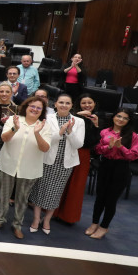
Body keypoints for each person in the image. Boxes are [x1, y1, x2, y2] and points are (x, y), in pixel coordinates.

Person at [0, 96, 55, 239]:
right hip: (7, 164)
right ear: (26, 106)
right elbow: (4, 138)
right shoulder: (15, 119)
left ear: (42, 111)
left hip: (29, 169)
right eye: (32, 106)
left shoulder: (44, 126)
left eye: (39, 108)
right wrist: (15, 128)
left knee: (22, 199)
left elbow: (45, 148)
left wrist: (37, 133)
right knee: (3, 196)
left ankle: (17, 225)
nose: (35, 109)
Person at [28, 93, 84, 235]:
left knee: (55, 193)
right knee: (39, 189)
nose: (64, 105)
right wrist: (60, 132)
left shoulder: (78, 121)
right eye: (61, 102)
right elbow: (45, 140)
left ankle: (47, 220)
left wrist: (70, 132)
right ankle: (36, 218)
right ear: (56, 104)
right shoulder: (48, 119)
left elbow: (78, 144)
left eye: (67, 103)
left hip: (65, 164)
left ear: (72, 106)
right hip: (47, 160)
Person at [86, 108, 138, 240]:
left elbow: (134, 155)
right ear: (114, 117)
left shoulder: (133, 136)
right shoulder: (105, 131)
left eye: (125, 118)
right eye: (119, 116)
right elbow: (97, 150)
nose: (121, 119)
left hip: (121, 168)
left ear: (128, 121)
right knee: (100, 197)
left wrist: (121, 147)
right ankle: (94, 223)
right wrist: (108, 147)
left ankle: (104, 226)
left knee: (111, 200)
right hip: (105, 165)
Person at [55, 93, 102, 224]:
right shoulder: (72, 116)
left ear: (94, 104)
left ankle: (68, 216)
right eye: (84, 103)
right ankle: (53, 211)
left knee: (76, 185)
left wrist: (96, 126)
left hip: (83, 154)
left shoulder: (97, 118)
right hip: (67, 151)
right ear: (78, 105)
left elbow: (93, 142)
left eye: (90, 102)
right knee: (61, 182)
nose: (87, 105)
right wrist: (78, 117)